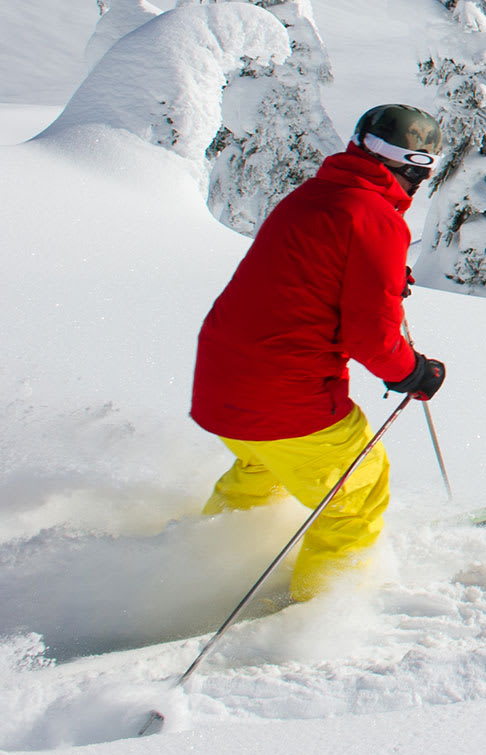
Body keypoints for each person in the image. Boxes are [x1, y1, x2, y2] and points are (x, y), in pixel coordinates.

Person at [190, 104, 449, 601]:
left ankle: (198, 564)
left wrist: (382, 274)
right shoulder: (374, 216)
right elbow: (370, 337)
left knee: (262, 468)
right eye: (424, 169)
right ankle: (325, 609)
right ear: (413, 166)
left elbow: (313, 269)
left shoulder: (318, 194)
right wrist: (413, 372)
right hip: (286, 394)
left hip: (223, 381)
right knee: (359, 490)